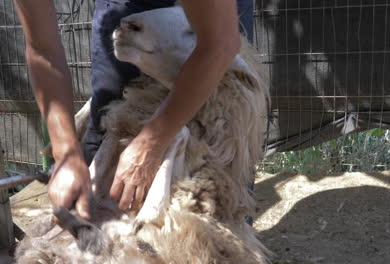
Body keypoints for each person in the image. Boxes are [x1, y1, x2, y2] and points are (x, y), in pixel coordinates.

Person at [14, 0, 253, 222]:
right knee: (111, 123)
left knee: (222, 142)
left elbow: (219, 43)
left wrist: (150, 143)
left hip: (213, 17)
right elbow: (42, 50)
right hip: (126, 6)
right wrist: (65, 155)